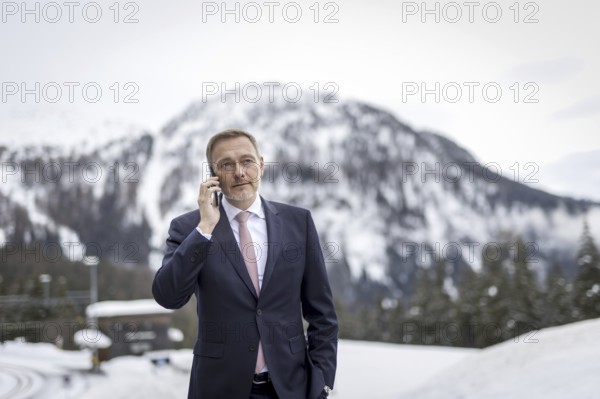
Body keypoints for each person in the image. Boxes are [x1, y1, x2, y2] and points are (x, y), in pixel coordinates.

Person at [152, 129, 338, 399]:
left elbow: (323, 315)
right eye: (227, 164)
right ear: (213, 175)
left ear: (261, 165)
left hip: (291, 389)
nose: (239, 172)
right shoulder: (188, 229)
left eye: (247, 161)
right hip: (218, 388)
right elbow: (168, 296)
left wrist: (322, 381)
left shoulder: (299, 223)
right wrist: (204, 229)